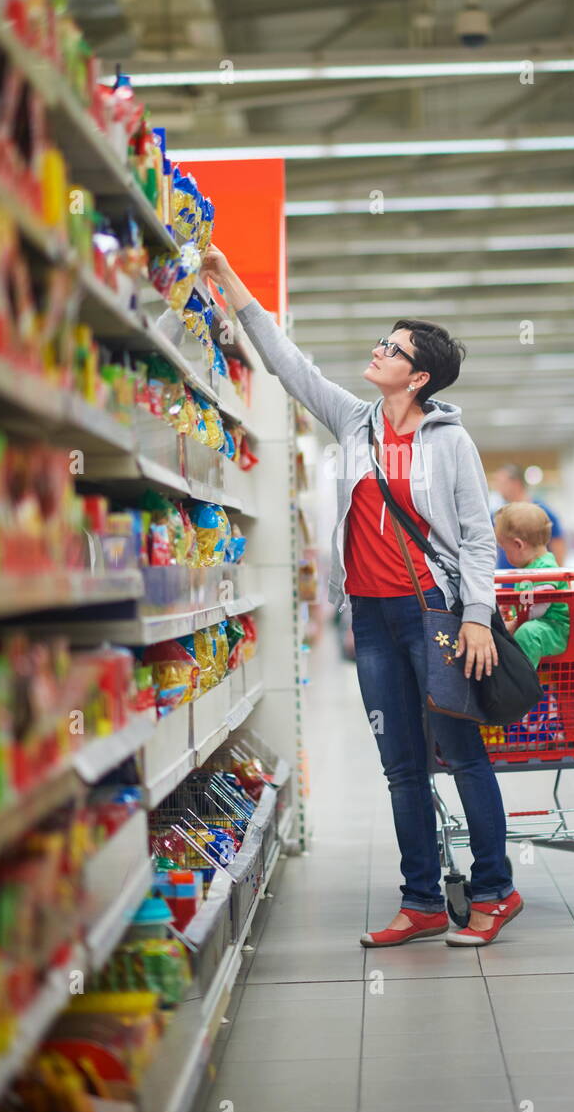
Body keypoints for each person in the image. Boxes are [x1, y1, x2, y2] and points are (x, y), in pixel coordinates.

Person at [201, 244, 524, 949]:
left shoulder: (450, 443)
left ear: (420, 375)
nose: (377, 351)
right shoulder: (354, 425)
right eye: (382, 341)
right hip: (371, 622)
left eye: (393, 348)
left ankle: (495, 889)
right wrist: (230, 282)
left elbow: (476, 538)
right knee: (401, 765)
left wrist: (474, 618)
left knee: (461, 753)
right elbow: (292, 369)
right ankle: (422, 901)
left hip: (434, 615)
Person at [493, 503, 569, 666]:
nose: (505, 555)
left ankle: (521, 683)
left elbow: (541, 604)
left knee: (527, 633)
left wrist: (515, 622)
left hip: (554, 628)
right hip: (539, 625)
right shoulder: (527, 568)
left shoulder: (546, 567)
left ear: (519, 545)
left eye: (505, 550)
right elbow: (524, 602)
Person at [492, 464, 566, 569]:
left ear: (516, 484)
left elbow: (558, 545)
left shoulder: (543, 512)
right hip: (511, 581)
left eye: (501, 483)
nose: (497, 488)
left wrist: (556, 576)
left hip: (538, 579)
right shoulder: (499, 516)